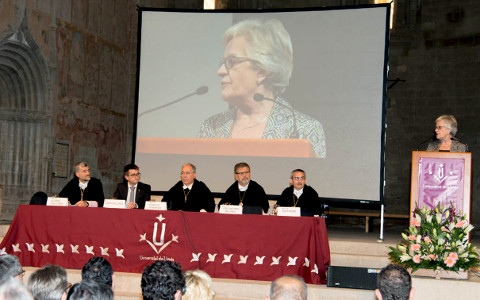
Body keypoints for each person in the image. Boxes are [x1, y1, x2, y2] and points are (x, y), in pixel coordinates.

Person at [198, 18, 326, 158]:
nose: (220, 71)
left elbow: (313, 179)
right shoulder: (212, 127)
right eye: (223, 63)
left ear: (261, 71)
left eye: (232, 62)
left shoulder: (303, 129)